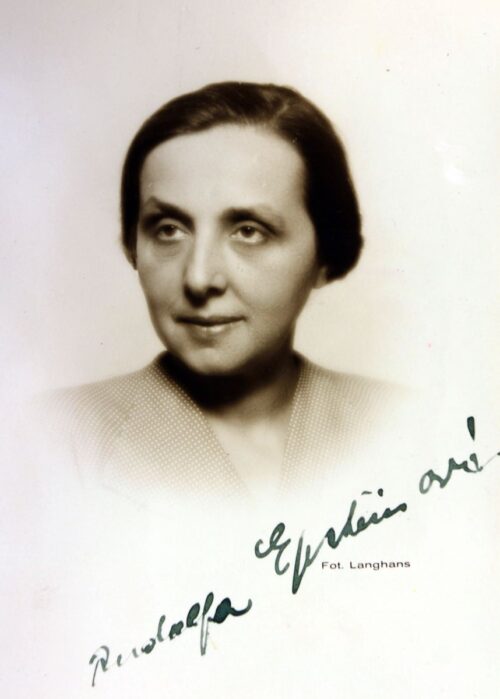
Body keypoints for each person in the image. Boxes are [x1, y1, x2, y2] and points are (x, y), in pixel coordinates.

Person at [48, 82, 404, 504]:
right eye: (168, 230)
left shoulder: (411, 427)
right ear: (133, 247)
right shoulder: (48, 439)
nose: (199, 279)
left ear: (324, 254)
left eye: (249, 232)